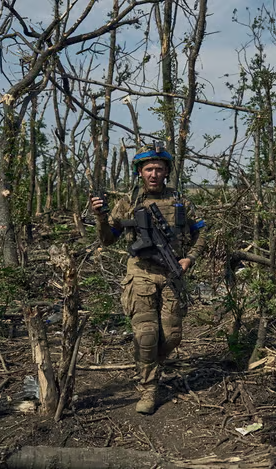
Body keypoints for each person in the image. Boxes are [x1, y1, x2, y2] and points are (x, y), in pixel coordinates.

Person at [91, 143, 205, 414]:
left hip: (172, 274)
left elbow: (201, 232)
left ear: (166, 172)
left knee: (173, 336)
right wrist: (101, 218)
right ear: (140, 172)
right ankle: (149, 389)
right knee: (146, 336)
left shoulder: (181, 202)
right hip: (140, 274)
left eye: (159, 169)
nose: (154, 174)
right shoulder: (128, 203)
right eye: (148, 169)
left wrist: (190, 258)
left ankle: (146, 364)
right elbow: (108, 240)